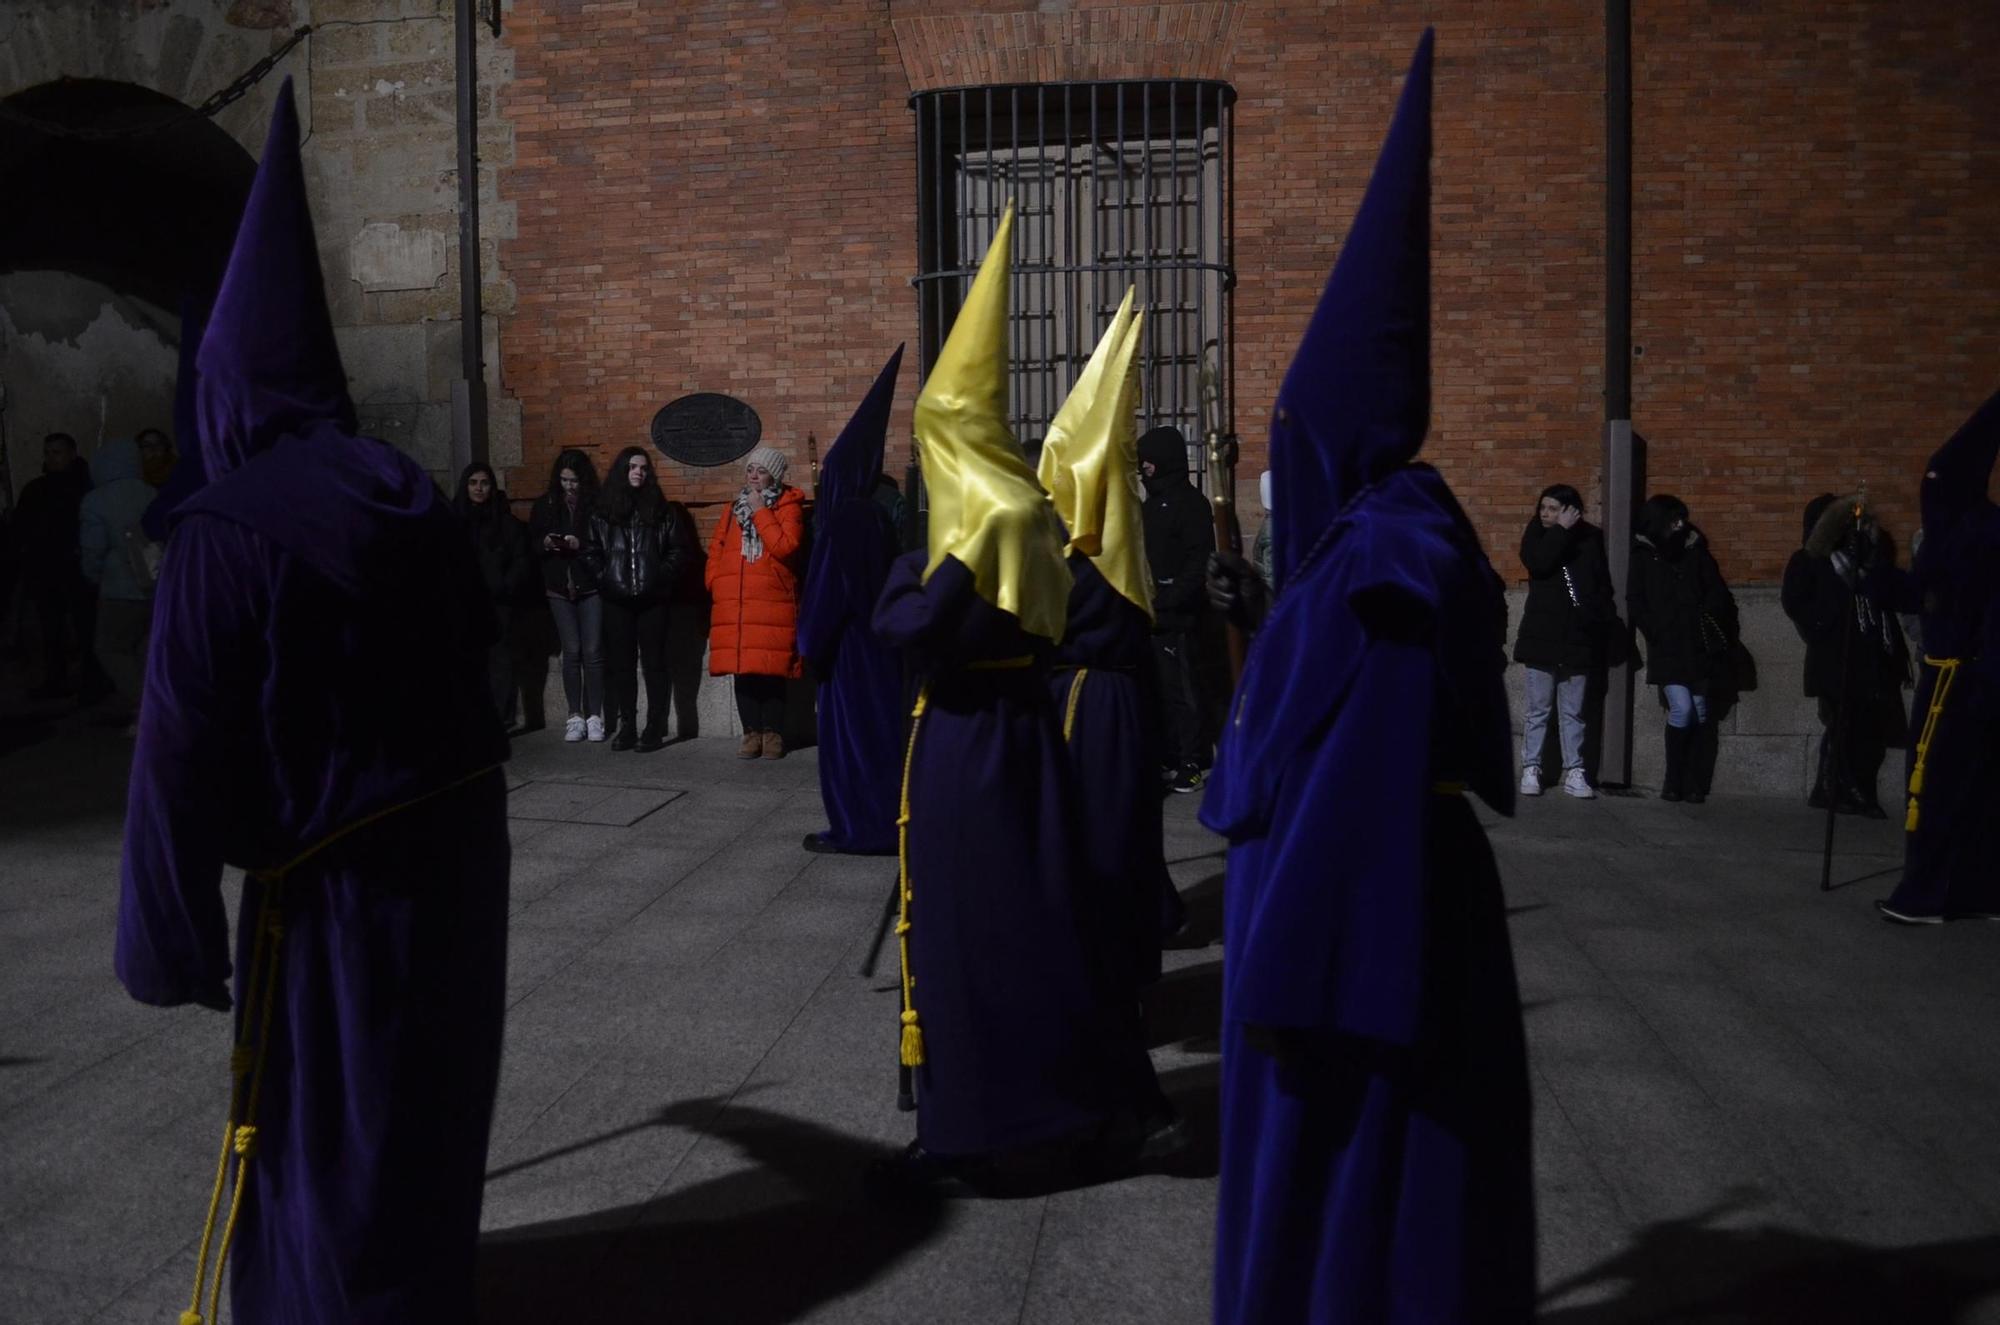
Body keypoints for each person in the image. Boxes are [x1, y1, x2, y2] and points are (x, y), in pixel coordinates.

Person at [114, 79, 510, 1325]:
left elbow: (175, 748)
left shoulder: (223, 531)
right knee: (428, 1106)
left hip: (327, 890)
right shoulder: (416, 496)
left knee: (321, 1136)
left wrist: (165, 936)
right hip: (456, 862)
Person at [1199, 33, 1535, 1322]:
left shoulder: (1376, 560)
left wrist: (1283, 981)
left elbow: (1357, 792)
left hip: (1349, 952)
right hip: (1369, 922)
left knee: (1359, 1202)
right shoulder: (1367, 542)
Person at [869, 206, 1166, 1195]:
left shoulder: (1004, 516)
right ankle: (967, 1110)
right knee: (975, 934)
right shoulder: (1007, 515)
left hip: (984, 743)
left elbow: (910, 627)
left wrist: (952, 561)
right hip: (990, 737)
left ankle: (1030, 1113)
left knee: (997, 933)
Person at [1037, 288, 1190, 1034]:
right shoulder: (1122, 531)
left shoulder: (1077, 550)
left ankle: (1091, 979)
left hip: (1084, 706)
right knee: (1124, 837)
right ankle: (1122, 974)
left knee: (1090, 842)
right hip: (1124, 704)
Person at [1873, 390, 2000, 924]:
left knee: (1939, 787)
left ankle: (1928, 893)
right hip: (1971, 679)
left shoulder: (1971, 536)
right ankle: (1977, 891)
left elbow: (1933, 596)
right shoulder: (1965, 532)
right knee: (1979, 792)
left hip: (1957, 683)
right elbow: (1919, 595)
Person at [797, 347, 905, 853]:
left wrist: (810, 650)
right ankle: (890, 821)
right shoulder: (876, 517)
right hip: (881, 649)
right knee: (882, 742)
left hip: (847, 655)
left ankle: (857, 828)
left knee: (848, 748)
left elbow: (823, 602)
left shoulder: (839, 524)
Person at [1781, 493, 1907, 817]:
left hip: (1867, 658)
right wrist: (1827, 619)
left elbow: (1884, 601)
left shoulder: (1862, 561)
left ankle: (1831, 788)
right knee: (1842, 723)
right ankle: (1850, 789)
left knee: (1863, 727)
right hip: (1834, 657)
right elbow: (1796, 602)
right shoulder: (1809, 561)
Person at [1629, 493, 1738, 804]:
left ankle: (1691, 780)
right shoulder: (1643, 555)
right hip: (1668, 647)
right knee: (1683, 707)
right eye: (1674, 519)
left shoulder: (1695, 552)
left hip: (1698, 644)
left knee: (1702, 711)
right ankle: (1672, 778)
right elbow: (1636, 601)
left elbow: (1717, 593)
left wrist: (1707, 617)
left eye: (1682, 519)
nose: (1680, 525)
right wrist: (1657, 631)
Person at [588, 445, 697, 753]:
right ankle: (628, 726)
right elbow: (590, 551)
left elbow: (680, 551)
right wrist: (606, 579)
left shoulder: (663, 510)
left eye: (644, 468)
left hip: (653, 600)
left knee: (655, 665)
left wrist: (659, 576)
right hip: (617, 600)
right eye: (633, 467)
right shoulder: (603, 510)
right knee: (622, 666)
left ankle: (654, 726)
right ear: (622, 470)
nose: (638, 472)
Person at [705, 444, 808, 758]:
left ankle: (773, 734)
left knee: (771, 672)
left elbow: (786, 546)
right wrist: (714, 582)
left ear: (773, 477)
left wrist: (761, 509)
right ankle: (750, 733)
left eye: (761, 471)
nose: (753, 476)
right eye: (750, 469)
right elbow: (717, 548)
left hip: (771, 603)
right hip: (735, 602)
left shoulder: (788, 506)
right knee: (743, 672)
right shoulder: (731, 509)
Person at [1514, 483, 1615, 799]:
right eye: (1543, 508)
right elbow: (1539, 563)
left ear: (1571, 511)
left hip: (1577, 637)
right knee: (1539, 710)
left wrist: (1597, 615)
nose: (1546, 514)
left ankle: (1575, 771)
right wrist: (1559, 531)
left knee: (1573, 712)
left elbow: (1601, 583)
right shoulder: (1536, 536)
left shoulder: (1589, 539)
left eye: (1554, 509)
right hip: (1541, 635)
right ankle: (1531, 768)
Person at [1138, 423, 1213, 793]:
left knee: (1184, 691)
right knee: (1161, 690)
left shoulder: (1190, 505)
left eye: (1149, 464)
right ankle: (1171, 752)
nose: (1144, 471)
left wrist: (1168, 600)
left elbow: (1197, 564)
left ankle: (1193, 760)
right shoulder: (1151, 506)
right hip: (1155, 616)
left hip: (1179, 618)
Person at [77, 437, 159, 729]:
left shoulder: (97, 500)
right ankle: (157, 707)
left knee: (110, 648)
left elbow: (94, 547)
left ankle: (147, 710)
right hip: (153, 586)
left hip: (118, 588)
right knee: (144, 649)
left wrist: (92, 574)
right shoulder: (150, 493)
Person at [530, 448, 607, 742]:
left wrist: (581, 544)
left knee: (593, 651)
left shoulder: (595, 505)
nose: (569, 486)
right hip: (559, 587)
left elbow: (602, 544)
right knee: (571, 651)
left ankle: (595, 715)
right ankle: (574, 716)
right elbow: (532, 543)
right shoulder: (546, 505)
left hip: (590, 586)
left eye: (574, 481)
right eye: (564, 480)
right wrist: (547, 542)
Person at [15, 431, 95, 700]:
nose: (51, 458)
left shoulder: (84, 488)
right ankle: (57, 678)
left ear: (72, 454)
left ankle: (90, 679)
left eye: (56, 452)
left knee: (85, 627)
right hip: (46, 570)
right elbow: (21, 527)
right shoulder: (36, 489)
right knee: (52, 629)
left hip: (75, 569)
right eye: (48, 452)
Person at [453, 460, 533, 727]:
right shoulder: (454, 519)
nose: (479, 488)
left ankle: (500, 720)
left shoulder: (505, 522)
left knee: (501, 663)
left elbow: (521, 559)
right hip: (463, 604)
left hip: (498, 603)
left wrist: (504, 587)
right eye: (473, 483)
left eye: (484, 483)